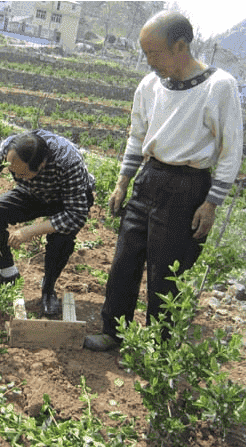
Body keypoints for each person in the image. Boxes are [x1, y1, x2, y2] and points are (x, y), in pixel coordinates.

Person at [83, 11, 243, 351]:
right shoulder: (150, 85)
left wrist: (211, 203)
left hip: (188, 185)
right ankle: (114, 331)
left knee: (165, 274)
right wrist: (122, 182)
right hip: (149, 177)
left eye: (154, 53)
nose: (148, 61)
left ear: (180, 46)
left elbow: (231, 152)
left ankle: (157, 349)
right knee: (124, 261)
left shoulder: (219, 87)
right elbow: (136, 136)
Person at [0, 129, 95, 316]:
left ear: (41, 164)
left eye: (23, 173)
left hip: (66, 200)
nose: (16, 178)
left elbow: (76, 214)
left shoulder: (68, 161)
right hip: (32, 191)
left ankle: (48, 288)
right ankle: (7, 274)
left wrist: (31, 231)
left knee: (62, 239)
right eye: (13, 173)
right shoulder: (9, 149)